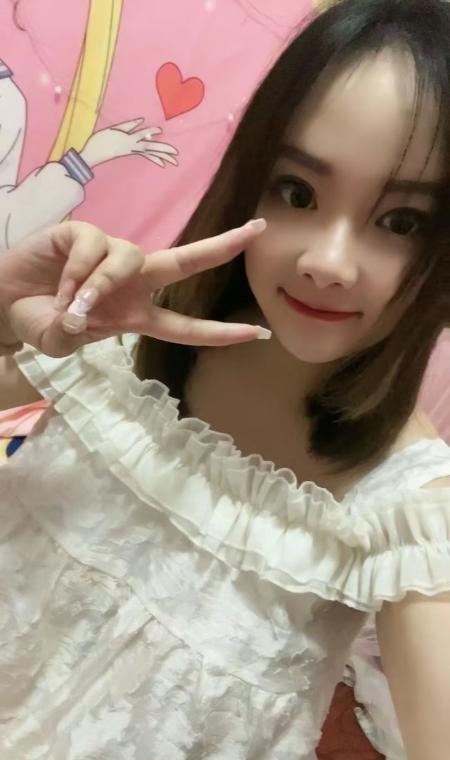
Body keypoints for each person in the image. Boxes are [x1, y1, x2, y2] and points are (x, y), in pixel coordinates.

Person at [0, 0, 450, 758]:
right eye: (298, 192)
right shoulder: (126, 332)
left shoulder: (408, 511)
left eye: (401, 221)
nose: (328, 262)